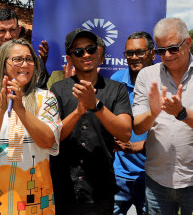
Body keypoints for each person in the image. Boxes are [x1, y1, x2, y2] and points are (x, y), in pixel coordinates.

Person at [0, 38, 62, 215]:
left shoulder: (46, 98)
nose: (24, 64)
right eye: (18, 59)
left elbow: (49, 141)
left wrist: (20, 108)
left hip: (34, 200)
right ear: (4, 64)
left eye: (29, 59)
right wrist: (0, 110)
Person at [50, 29, 133, 214]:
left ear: (99, 53)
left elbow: (125, 132)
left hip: (100, 190)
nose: (86, 54)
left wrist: (95, 105)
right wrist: (79, 112)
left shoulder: (116, 89)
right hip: (63, 188)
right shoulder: (58, 89)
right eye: (78, 52)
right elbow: (52, 138)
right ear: (70, 58)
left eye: (90, 49)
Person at [132, 18, 193, 215]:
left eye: (173, 48)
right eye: (160, 50)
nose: (167, 55)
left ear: (188, 43)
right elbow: (138, 127)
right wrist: (153, 113)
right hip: (156, 181)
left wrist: (181, 113)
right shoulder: (146, 76)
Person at [110, 31, 156, 215]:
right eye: (129, 53)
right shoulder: (116, 81)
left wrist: (140, 146)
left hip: (152, 176)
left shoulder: (163, 83)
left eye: (140, 52)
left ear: (152, 54)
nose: (134, 57)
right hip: (118, 174)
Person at [0, 7, 49, 90]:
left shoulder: (35, 63)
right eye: (2, 31)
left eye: (12, 30)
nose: (8, 36)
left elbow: (40, 97)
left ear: (19, 30)